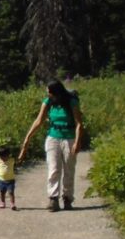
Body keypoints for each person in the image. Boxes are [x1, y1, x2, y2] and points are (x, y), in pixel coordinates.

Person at [19, 80, 84, 212]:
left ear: (57, 92)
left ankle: (67, 199)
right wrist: (27, 138)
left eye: (49, 92)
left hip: (69, 138)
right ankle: (53, 199)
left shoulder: (72, 102)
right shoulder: (48, 102)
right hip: (53, 137)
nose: (47, 94)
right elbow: (39, 120)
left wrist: (77, 142)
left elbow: (79, 123)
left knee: (69, 169)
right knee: (54, 169)